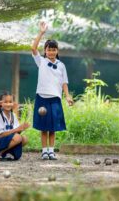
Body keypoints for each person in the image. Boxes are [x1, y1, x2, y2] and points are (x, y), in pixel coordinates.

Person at [31, 21, 73, 160]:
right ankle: (44, 151)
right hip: (42, 97)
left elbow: (64, 83)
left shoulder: (61, 65)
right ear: (45, 51)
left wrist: (67, 97)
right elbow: (33, 48)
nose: (51, 52)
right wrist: (41, 33)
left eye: (54, 49)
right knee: (44, 127)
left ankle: (51, 151)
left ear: (57, 51)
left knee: (53, 127)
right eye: (49, 49)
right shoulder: (41, 61)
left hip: (55, 98)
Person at [0, 92, 29, 160]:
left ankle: (4, 153)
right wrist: (17, 129)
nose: (8, 104)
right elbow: (0, 135)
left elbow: (16, 131)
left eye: (10, 102)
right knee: (18, 138)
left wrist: (22, 128)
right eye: (5, 102)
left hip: (4, 141)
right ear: (0, 104)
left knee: (24, 139)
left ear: (13, 103)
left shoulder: (12, 115)